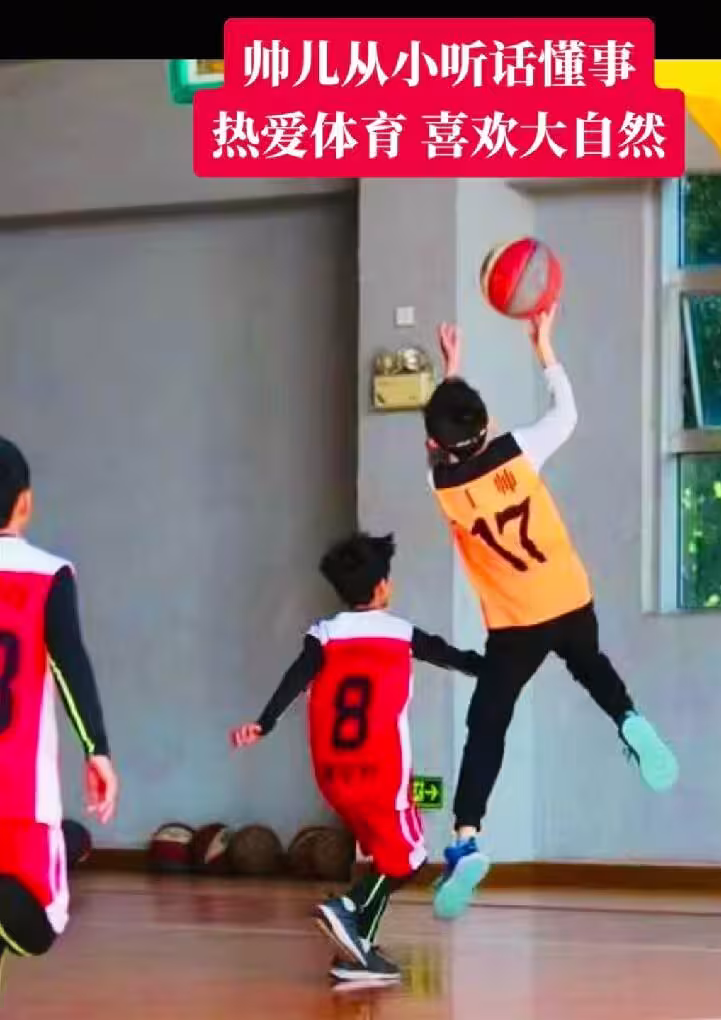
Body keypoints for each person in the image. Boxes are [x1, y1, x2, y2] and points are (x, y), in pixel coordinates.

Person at [421, 303, 679, 920]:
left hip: (515, 624)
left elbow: (445, 444)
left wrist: (448, 375)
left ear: (436, 442)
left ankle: (467, 838)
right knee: (590, 664)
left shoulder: (442, 486)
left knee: (489, 724)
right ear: (487, 422)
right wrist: (544, 346)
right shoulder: (520, 451)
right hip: (568, 596)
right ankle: (627, 717)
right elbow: (566, 413)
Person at [231, 530, 484, 985]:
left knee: (387, 858)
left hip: (332, 774)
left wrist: (263, 723)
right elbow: (456, 658)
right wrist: (500, 668)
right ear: (383, 586)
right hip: (381, 773)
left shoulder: (324, 634)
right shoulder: (401, 633)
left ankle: (357, 952)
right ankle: (346, 908)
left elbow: (294, 679)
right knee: (409, 860)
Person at [0, 437, 118, 989]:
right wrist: (97, 749)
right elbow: (71, 664)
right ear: (25, 502)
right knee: (41, 923)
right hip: (20, 795)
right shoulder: (48, 574)